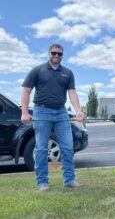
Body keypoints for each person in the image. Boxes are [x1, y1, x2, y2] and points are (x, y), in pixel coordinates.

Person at [21, 44, 84, 191]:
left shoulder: (68, 73)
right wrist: (25, 112)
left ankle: (69, 180)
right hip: (41, 112)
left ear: (62, 56)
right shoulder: (37, 70)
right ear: (48, 53)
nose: (56, 56)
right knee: (42, 149)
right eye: (54, 53)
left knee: (68, 148)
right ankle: (42, 183)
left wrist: (78, 111)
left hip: (61, 113)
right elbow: (26, 91)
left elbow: (72, 93)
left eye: (60, 54)